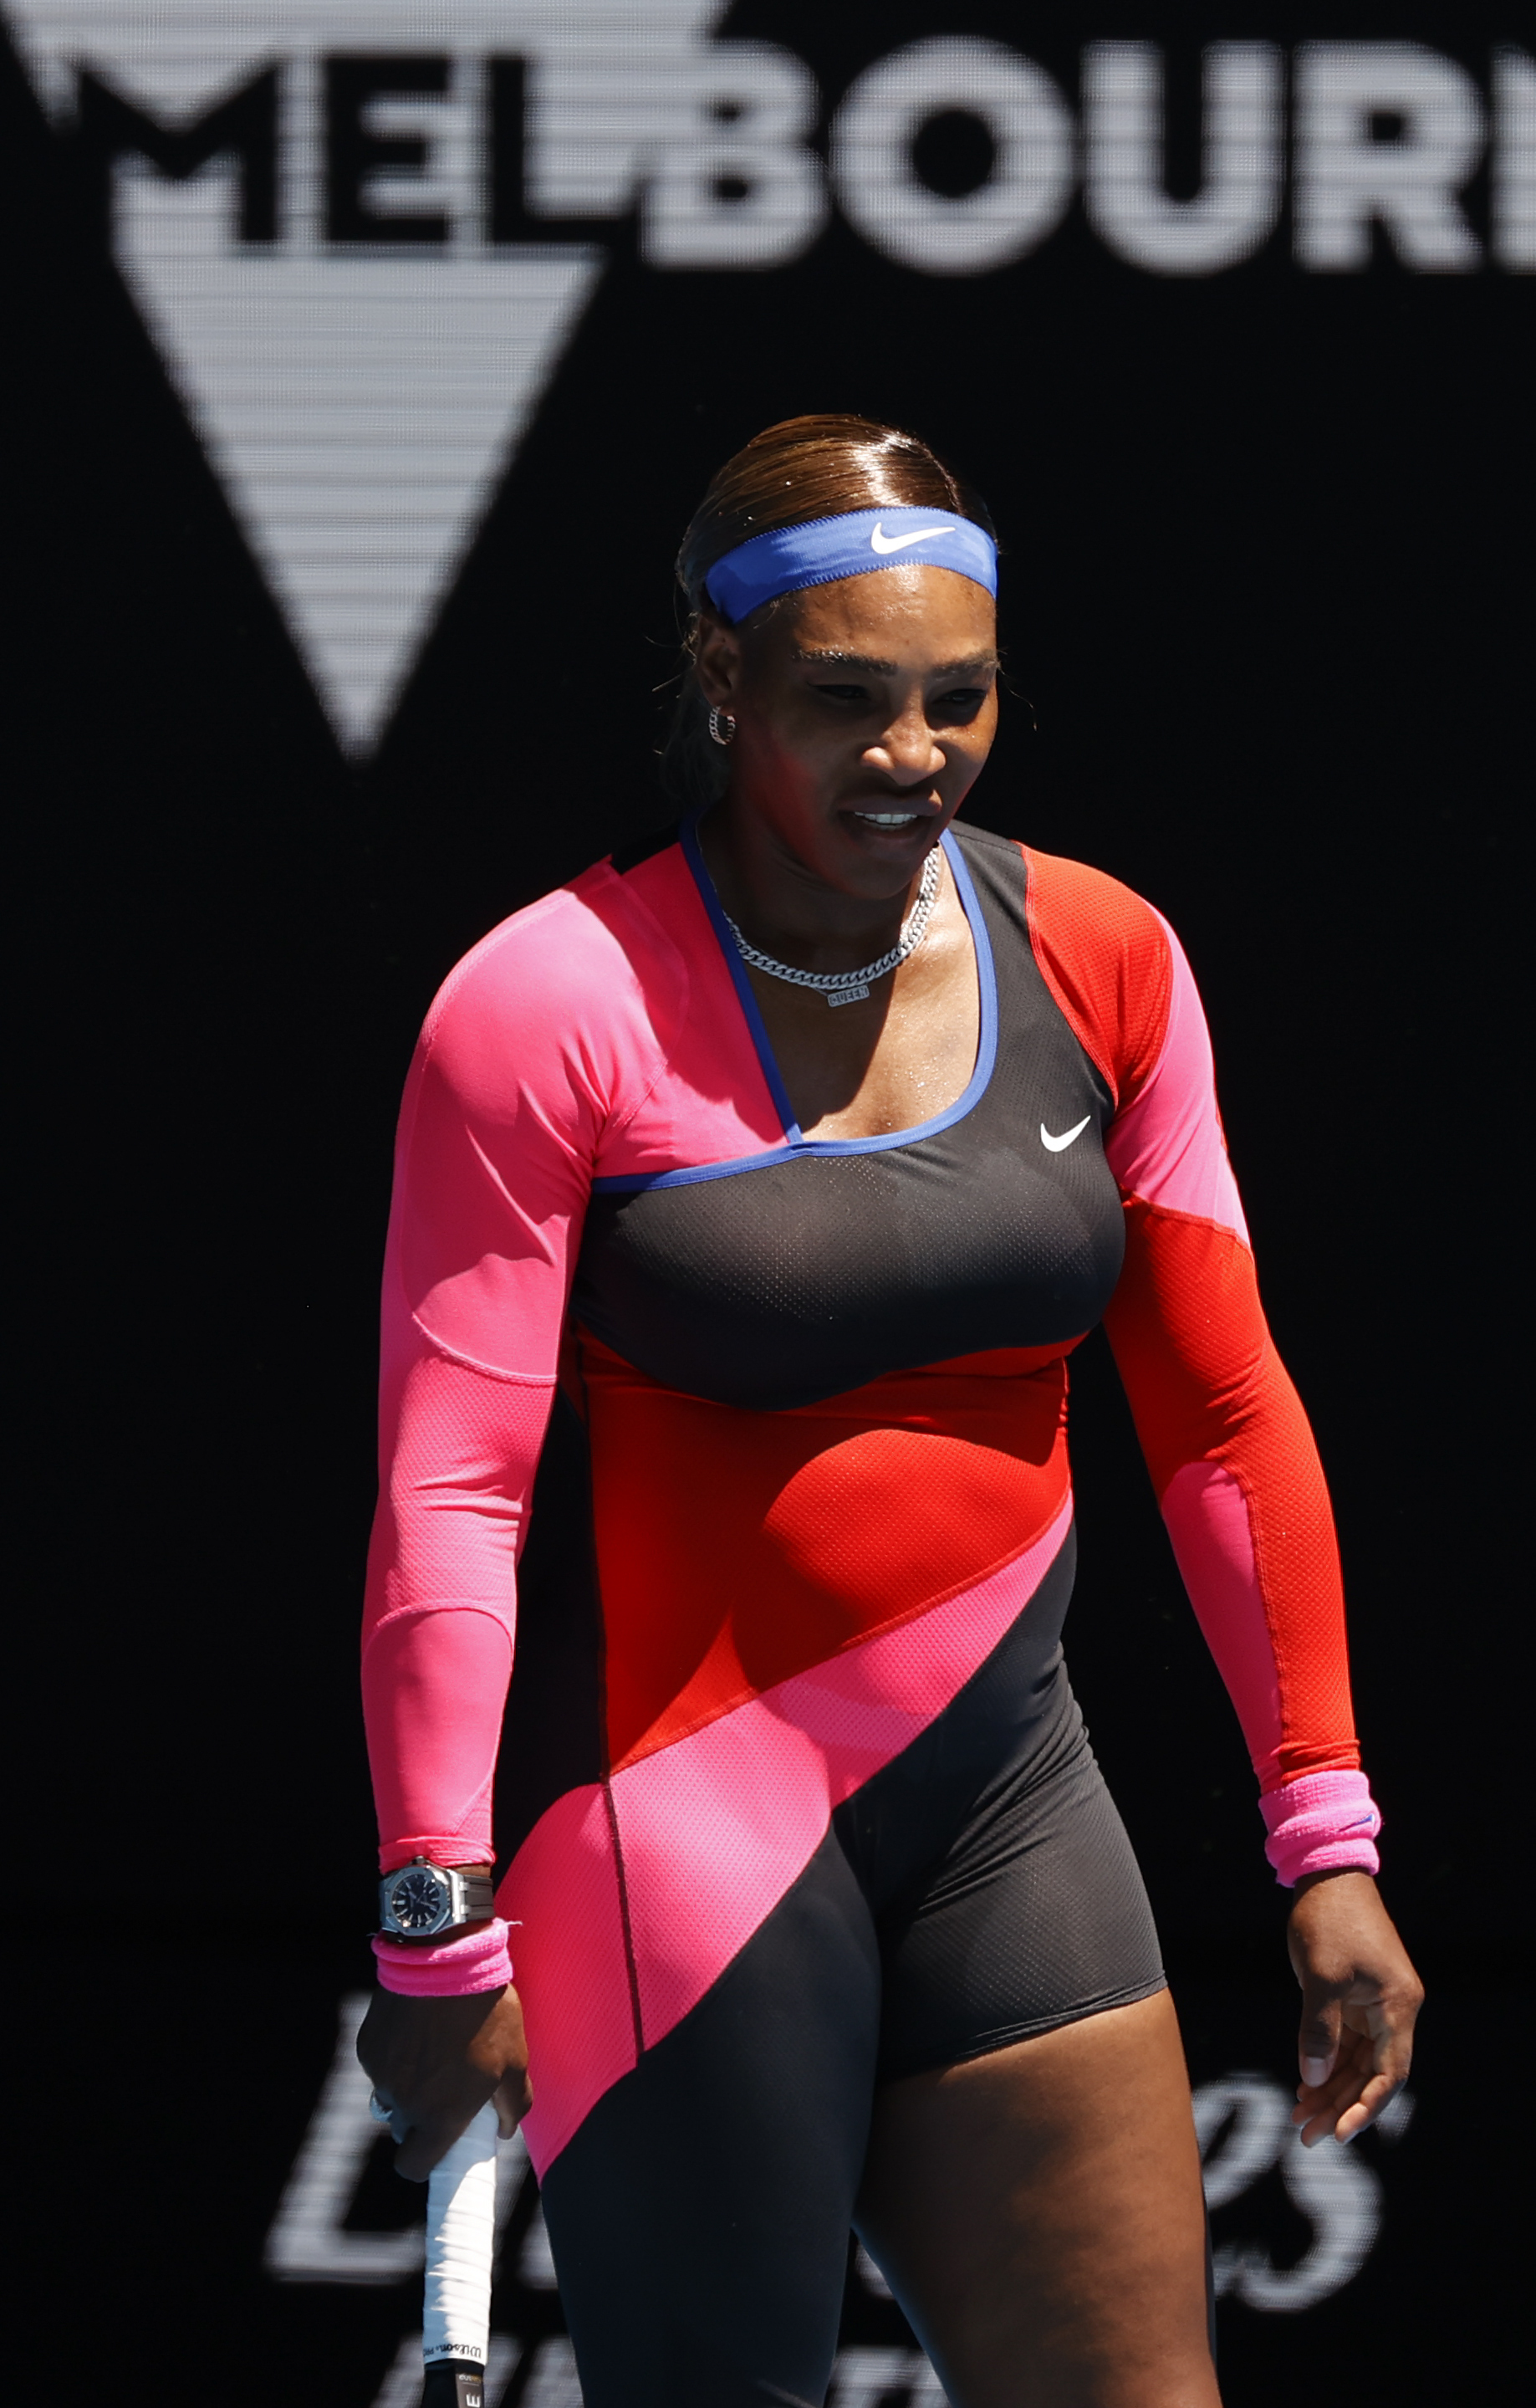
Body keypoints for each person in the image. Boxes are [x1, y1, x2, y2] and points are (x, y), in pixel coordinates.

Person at [357, 414, 1422, 2407]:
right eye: (846, 699)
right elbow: (453, 1493)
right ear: (723, 675)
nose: (913, 754)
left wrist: (1323, 1836)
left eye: (959, 698)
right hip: (679, 1828)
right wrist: (437, 1924)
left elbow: (1219, 1414)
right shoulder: (543, 1003)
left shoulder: (1104, 956)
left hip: (1012, 1804)